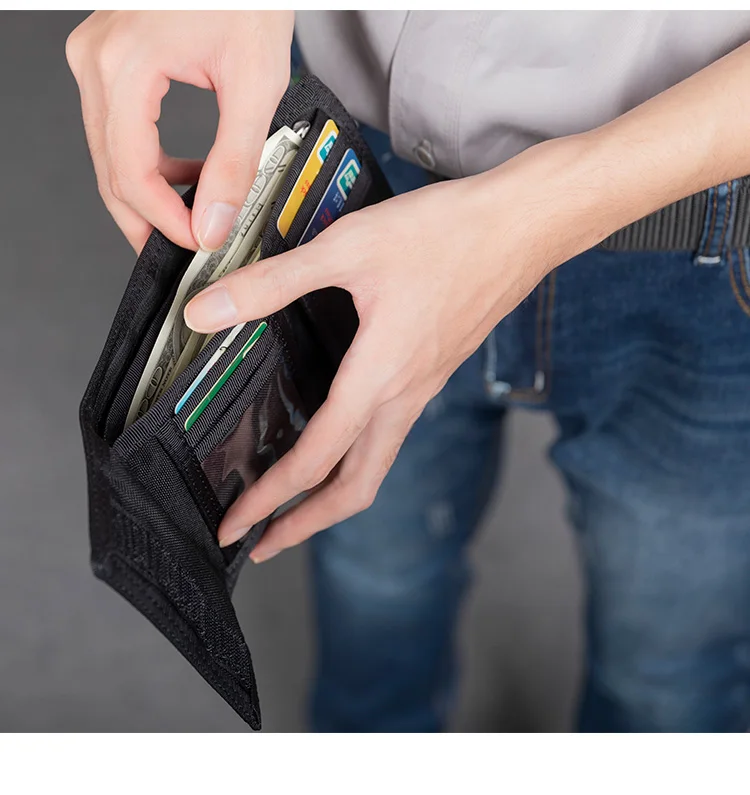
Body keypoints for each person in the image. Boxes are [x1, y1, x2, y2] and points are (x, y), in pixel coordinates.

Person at [66, 10, 750, 732]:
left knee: (668, 669)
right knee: (376, 584)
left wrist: (537, 215)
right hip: (362, 183)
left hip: (691, 229)